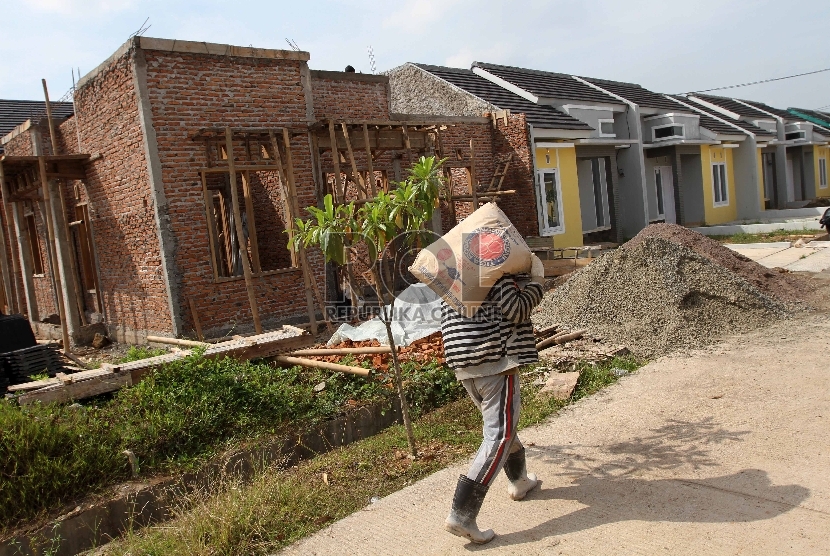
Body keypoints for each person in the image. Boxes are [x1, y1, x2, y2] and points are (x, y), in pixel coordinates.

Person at [442, 254, 546, 544]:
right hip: (494, 362)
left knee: (504, 426)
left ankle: (520, 481)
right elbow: (516, 310)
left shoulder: (455, 278)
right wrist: (537, 282)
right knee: (499, 435)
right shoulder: (496, 273)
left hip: (464, 366)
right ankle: (461, 514)